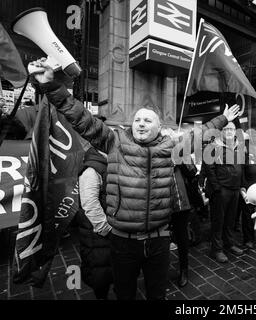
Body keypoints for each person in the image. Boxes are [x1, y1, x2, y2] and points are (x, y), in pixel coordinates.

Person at [30, 57, 240, 300]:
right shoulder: (114, 141)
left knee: (156, 294)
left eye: (147, 120)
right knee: (125, 294)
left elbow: (200, 134)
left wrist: (222, 118)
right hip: (122, 242)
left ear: (159, 127)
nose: (141, 123)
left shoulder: (170, 146)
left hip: (159, 240)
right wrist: (51, 85)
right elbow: (80, 117)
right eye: (137, 119)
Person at [203, 121, 245, 263]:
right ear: (221, 131)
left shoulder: (238, 146)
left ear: (235, 132)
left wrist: (241, 186)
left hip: (234, 189)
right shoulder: (213, 146)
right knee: (218, 220)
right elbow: (209, 169)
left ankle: (230, 244)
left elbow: (240, 167)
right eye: (226, 129)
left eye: (231, 129)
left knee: (231, 220)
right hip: (221, 190)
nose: (228, 131)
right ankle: (217, 250)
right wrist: (217, 189)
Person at [76, 146, 113, 299]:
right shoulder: (91, 170)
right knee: (100, 276)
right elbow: (89, 203)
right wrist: (105, 228)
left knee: (112, 271)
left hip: (110, 233)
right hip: (98, 235)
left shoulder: (111, 164)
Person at [172, 161, 200, 288]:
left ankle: (184, 270)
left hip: (180, 200)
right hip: (160, 200)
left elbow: (192, 171)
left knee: (182, 237)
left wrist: (180, 161)